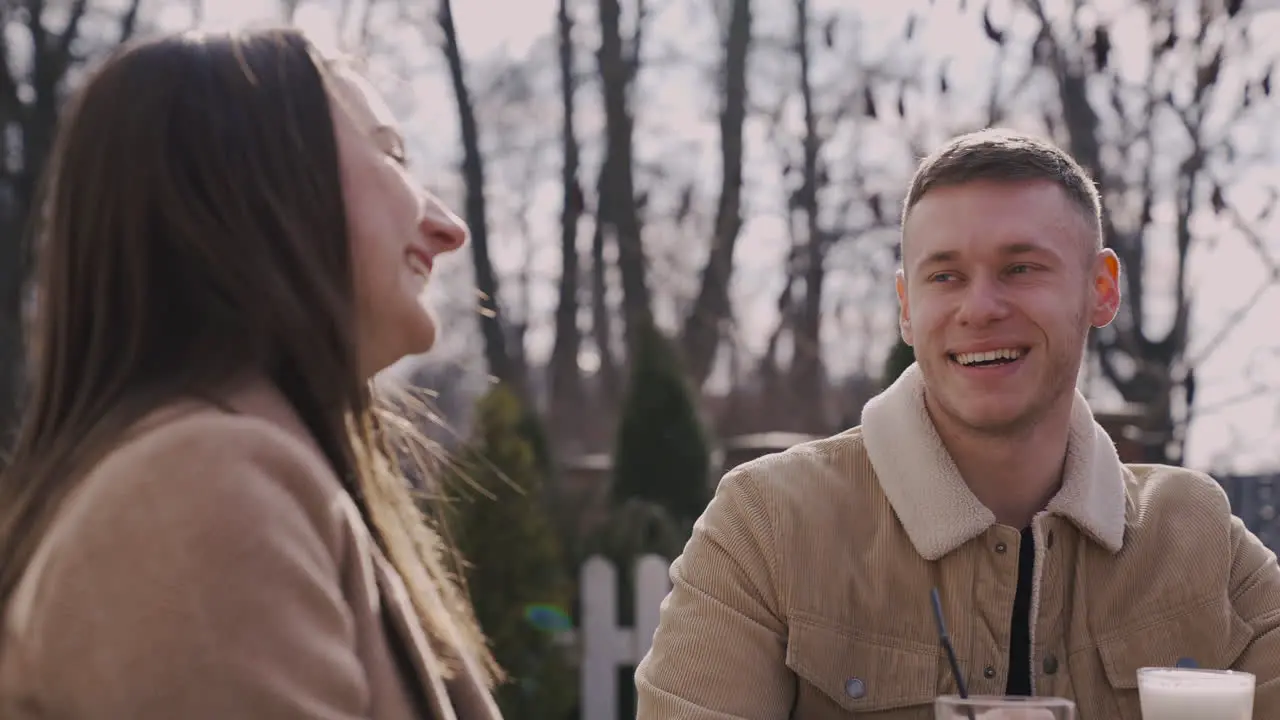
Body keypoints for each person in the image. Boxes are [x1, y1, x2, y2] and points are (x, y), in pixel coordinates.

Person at [635, 128, 1280, 718]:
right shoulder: (768, 527)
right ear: (906, 307)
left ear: (1101, 289)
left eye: (1020, 268)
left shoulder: (1198, 541)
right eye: (945, 275)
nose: (980, 307)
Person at [0, 28, 503, 719]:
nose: (448, 228)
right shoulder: (200, 485)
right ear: (257, 186)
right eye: (392, 154)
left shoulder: (233, 474)